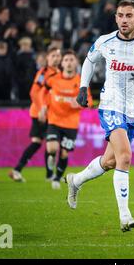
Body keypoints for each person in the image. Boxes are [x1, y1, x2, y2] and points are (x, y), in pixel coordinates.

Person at [65, 0, 134, 232]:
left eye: (129, 16)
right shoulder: (105, 41)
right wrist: (83, 87)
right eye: (120, 15)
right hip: (111, 105)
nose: (124, 20)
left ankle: (76, 180)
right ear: (115, 18)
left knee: (111, 161)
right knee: (125, 157)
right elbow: (89, 61)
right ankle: (125, 216)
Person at [38, 50, 92, 190]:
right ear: (62, 63)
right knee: (52, 147)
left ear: (76, 63)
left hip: (71, 123)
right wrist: (43, 107)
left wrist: (81, 103)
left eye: (71, 60)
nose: (68, 62)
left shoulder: (81, 82)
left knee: (64, 152)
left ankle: (56, 177)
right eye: (66, 60)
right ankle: (50, 166)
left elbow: (90, 101)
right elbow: (43, 91)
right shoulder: (53, 79)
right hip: (54, 120)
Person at [8, 47, 62, 182]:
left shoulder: (59, 73)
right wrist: (41, 109)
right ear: (48, 58)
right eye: (53, 56)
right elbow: (34, 92)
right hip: (41, 113)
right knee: (42, 142)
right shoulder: (43, 73)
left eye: (57, 56)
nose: (56, 58)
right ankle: (20, 170)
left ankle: (45, 174)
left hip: (52, 113)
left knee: (47, 143)